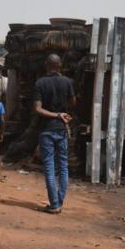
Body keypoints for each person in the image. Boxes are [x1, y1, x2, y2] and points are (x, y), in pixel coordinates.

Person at [34, 54, 76, 214]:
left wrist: (55, 114)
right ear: (60, 65)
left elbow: (38, 109)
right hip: (61, 128)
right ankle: (59, 201)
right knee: (63, 166)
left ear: (46, 65)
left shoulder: (40, 83)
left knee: (50, 167)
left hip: (46, 130)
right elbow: (73, 102)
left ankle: (54, 204)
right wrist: (61, 113)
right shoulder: (67, 82)